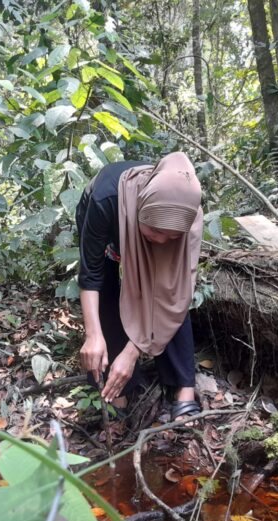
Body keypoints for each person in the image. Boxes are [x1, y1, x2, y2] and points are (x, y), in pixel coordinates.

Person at [75, 152, 203, 423]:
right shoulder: (105, 201)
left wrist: (133, 353)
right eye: (155, 232)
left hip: (153, 221)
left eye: (171, 236)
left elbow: (174, 296)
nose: (161, 241)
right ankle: (116, 387)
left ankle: (183, 387)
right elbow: (92, 275)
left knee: (171, 289)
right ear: (142, 212)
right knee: (108, 288)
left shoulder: (187, 215)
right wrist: (93, 336)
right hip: (110, 219)